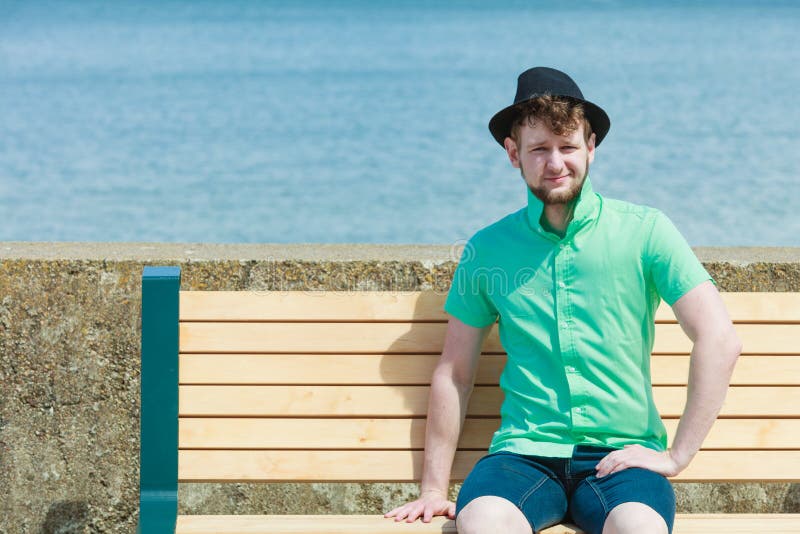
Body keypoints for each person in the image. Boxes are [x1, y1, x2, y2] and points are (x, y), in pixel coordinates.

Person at [384, 67, 742, 534]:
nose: (556, 163)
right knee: (483, 524)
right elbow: (455, 371)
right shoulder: (487, 249)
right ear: (513, 154)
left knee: (640, 529)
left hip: (622, 458)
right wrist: (433, 488)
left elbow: (720, 338)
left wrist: (676, 456)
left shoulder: (646, 230)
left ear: (590, 148)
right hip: (523, 459)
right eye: (538, 149)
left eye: (568, 147)